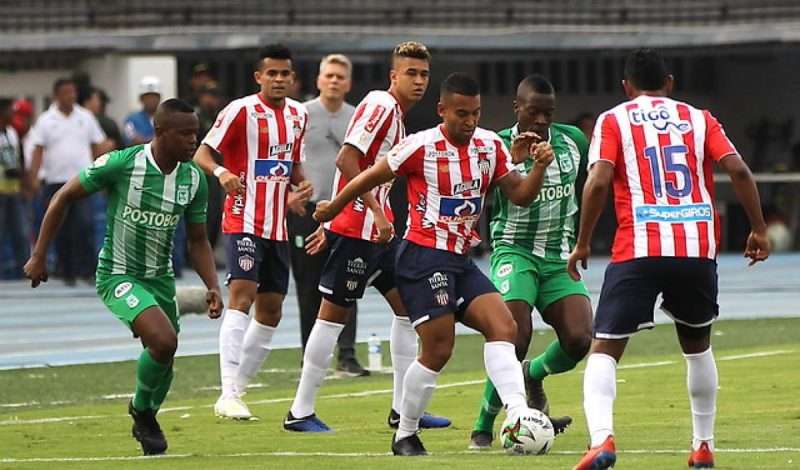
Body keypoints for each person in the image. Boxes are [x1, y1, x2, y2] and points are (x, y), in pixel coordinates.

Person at [313, 72, 555, 455]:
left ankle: (518, 416)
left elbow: (521, 196)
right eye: (462, 114)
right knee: (439, 349)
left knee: (504, 327)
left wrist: (538, 167)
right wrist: (334, 209)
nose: (470, 121)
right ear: (442, 110)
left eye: (475, 113)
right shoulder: (419, 146)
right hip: (423, 259)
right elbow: (368, 177)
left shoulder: (490, 145)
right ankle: (405, 433)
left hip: (460, 260)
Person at [568, 48, 770, 470]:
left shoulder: (614, 119)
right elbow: (738, 170)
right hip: (696, 248)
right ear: (670, 83)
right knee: (697, 347)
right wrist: (758, 228)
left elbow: (598, 181)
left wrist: (583, 241)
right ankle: (703, 446)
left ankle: (602, 441)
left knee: (604, 349)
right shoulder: (699, 118)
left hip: (639, 248)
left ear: (627, 87)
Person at [24, 99, 224, 456]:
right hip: (119, 274)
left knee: (164, 359)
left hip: (160, 278)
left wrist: (212, 284)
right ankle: (142, 412)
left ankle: (145, 411)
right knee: (163, 341)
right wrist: (39, 255)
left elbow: (197, 240)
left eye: (196, 133)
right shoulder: (123, 163)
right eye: (184, 134)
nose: (193, 141)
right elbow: (63, 196)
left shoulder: (194, 178)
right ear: (160, 132)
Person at [283, 42, 450, 433]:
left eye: (424, 74)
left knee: (408, 310)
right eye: (411, 73)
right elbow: (346, 158)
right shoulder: (380, 105)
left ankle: (403, 410)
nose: (419, 81)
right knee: (332, 317)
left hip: (378, 234)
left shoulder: (395, 115)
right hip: (359, 231)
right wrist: (370, 212)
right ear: (393, 76)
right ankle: (300, 411)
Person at [468, 74, 592, 449]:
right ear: (516, 107)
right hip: (515, 249)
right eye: (533, 111)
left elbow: (593, 184)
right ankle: (483, 423)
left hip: (557, 255)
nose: (540, 120)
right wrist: (515, 161)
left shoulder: (574, 141)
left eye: (548, 113)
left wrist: (582, 240)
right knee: (513, 333)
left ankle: (533, 374)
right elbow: (479, 190)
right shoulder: (498, 144)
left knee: (580, 338)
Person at [194, 44, 313, 420]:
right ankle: (228, 391)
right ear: (258, 77)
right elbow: (202, 153)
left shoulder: (298, 115)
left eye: (284, 73)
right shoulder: (240, 110)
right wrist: (222, 172)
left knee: (272, 310)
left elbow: (292, 166)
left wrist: (300, 188)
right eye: (271, 73)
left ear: (292, 78)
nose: (278, 79)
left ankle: (237, 391)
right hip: (243, 219)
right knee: (242, 296)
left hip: (278, 226)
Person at [287, 53, 365, 376]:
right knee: (308, 286)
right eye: (328, 75)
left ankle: (347, 354)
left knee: (349, 282)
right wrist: (288, 194)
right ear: (318, 80)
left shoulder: (358, 117)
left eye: (339, 77)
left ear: (348, 83)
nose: (333, 81)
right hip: (307, 211)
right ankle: (311, 355)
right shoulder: (300, 114)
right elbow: (282, 157)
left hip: (346, 211)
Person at [28, 78, 110, 285]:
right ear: (56, 95)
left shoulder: (86, 117)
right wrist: (34, 177)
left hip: (83, 180)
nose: (71, 96)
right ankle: (67, 272)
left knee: (85, 225)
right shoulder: (46, 120)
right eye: (66, 92)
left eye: (73, 92)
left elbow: (97, 145)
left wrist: (101, 172)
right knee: (61, 228)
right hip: (55, 181)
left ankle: (88, 270)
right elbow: (38, 150)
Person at [0, 98, 30, 278]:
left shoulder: (12, 133)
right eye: (9, 111)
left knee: (21, 233)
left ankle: (24, 270)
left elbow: (21, 159)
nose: (12, 115)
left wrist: (24, 184)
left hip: (13, 190)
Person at [82, 87, 123, 151]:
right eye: (97, 101)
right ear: (87, 102)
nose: (99, 104)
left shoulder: (107, 122)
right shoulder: (107, 123)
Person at [124, 76, 162, 145]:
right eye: (147, 97)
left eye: (154, 96)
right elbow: (135, 141)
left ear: (159, 98)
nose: (151, 100)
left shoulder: (167, 118)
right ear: (141, 99)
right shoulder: (131, 120)